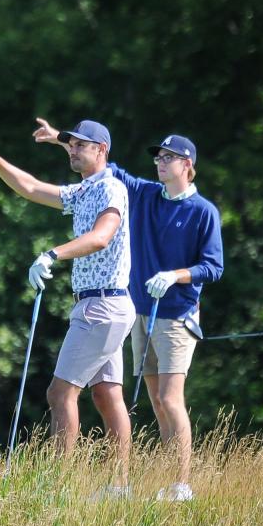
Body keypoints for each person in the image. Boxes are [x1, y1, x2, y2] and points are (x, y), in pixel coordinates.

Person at [35, 120, 224, 502]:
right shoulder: (147, 194)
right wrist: (61, 139)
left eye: (169, 157)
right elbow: (106, 166)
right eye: (159, 156)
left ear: (188, 165)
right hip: (140, 311)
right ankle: (150, 483)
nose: (161, 162)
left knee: (171, 398)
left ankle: (181, 483)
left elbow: (213, 266)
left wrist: (175, 276)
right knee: (154, 399)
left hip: (178, 313)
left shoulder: (204, 211)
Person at [0, 120, 136, 496]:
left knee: (60, 394)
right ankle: (119, 487)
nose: (72, 150)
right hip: (103, 305)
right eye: (69, 144)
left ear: (101, 150)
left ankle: (56, 487)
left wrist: (52, 254)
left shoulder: (111, 188)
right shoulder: (83, 191)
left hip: (102, 306)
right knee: (106, 395)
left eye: (80, 145)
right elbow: (31, 188)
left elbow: (101, 237)